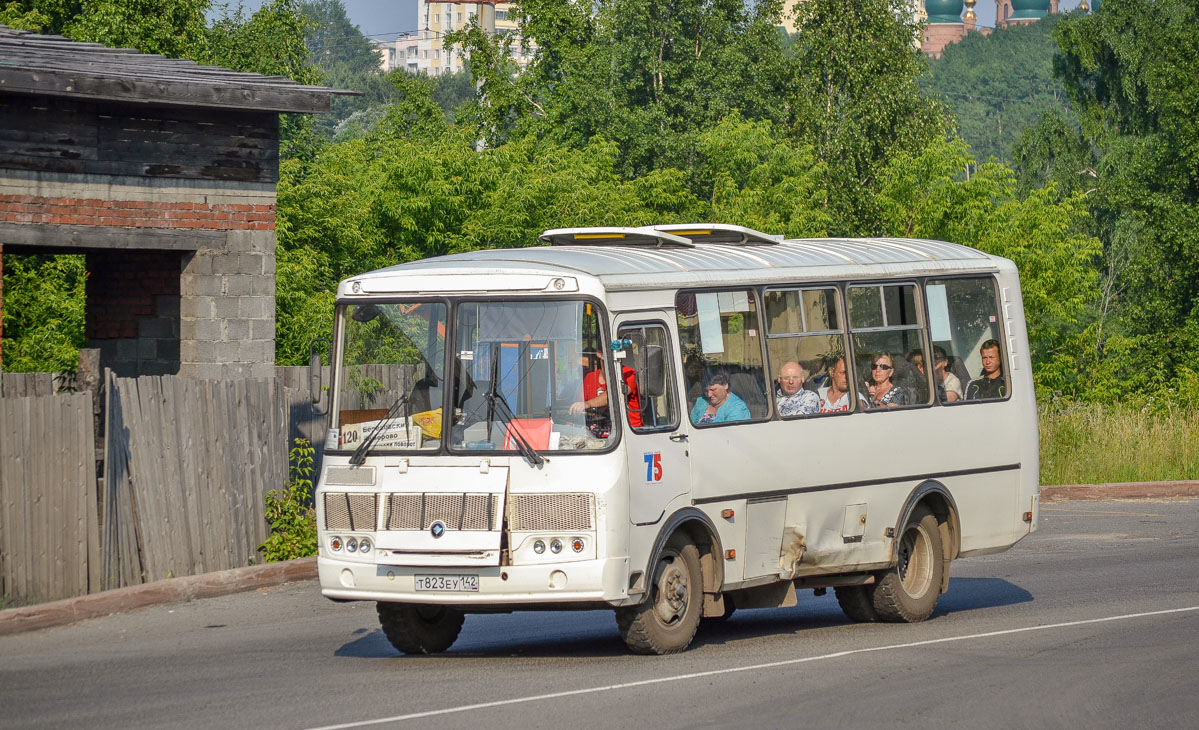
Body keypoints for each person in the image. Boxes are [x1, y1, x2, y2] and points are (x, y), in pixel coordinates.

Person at [571, 357, 643, 427]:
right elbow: (580, 405)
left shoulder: (628, 374)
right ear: (599, 354)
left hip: (626, 432)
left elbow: (616, 394)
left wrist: (588, 404)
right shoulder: (589, 378)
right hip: (595, 431)